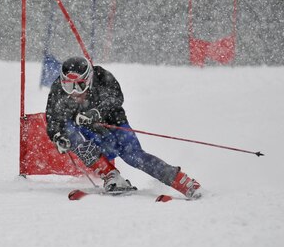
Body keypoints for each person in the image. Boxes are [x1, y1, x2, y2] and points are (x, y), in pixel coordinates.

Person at [45, 56, 203, 199]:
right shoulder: (57, 90)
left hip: (114, 124)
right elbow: (53, 118)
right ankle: (110, 175)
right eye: (68, 86)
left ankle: (182, 181)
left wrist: (96, 113)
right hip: (86, 130)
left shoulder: (101, 76)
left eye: (79, 86)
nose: (73, 92)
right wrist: (58, 136)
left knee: (133, 156)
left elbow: (115, 97)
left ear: (89, 79)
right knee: (69, 132)